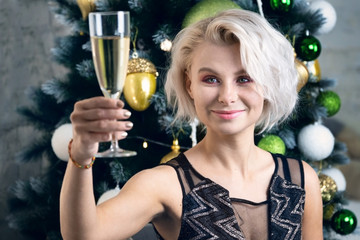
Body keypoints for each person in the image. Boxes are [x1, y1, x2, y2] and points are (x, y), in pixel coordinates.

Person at [60, 9, 323, 240]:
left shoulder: (301, 180)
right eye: (210, 79)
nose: (227, 96)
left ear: (269, 84)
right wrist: (81, 154)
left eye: (244, 78)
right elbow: (83, 235)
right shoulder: (164, 184)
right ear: (189, 85)